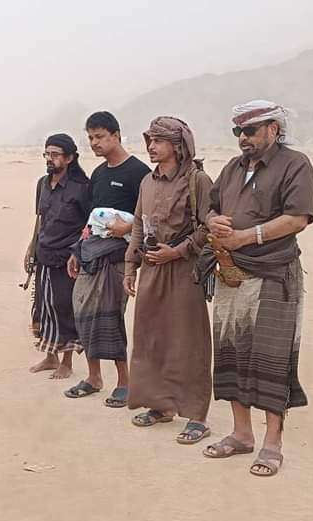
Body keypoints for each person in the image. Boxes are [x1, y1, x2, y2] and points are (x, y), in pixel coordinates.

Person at [199, 100, 313, 476]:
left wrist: (246, 237)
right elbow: (210, 208)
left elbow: (297, 218)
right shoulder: (233, 168)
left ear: (273, 129)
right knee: (231, 352)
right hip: (231, 272)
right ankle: (241, 434)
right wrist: (214, 222)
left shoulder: (294, 164)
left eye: (250, 130)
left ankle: (272, 443)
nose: (242, 138)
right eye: (238, 131)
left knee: (270, 357)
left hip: (274, 272)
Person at [123, 117, 213, 444]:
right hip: (151, 268)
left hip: (184, 271)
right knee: (151, 338)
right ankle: (159, 406)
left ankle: (196, 416)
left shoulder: (198, 180)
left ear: (177, 145)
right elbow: (138, 223)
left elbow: (208, 226)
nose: (151, 146)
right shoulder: (147, 182)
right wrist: (131, 266)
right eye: (149, 140)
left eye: (158, 141)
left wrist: (176, 251)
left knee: (188, 341)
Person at [64, 112, 150, 404]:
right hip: (90, 254)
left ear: (116, 135)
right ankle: (94, 377)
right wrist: (77, 250)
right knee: (83, 312)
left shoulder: (138, 173)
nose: (94, 143)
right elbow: (92, 219)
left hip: (117, 258)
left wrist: (128, 229)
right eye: (90, 137)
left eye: (99, 136)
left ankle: (125, 381)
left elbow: (150, 218)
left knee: (111, 316)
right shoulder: (99, 174)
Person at [26, 134, 90, 379]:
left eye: (55, 154)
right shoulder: (42, 184)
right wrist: (31, 248)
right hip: (44, 254)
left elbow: (89, 225)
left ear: (70, 158)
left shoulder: (82, 187)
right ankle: (50, 357)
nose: (49, 159)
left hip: (67, 258)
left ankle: (67, 362)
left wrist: (79, 253)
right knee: (44, 307)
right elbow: (40, 219)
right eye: (47, 154)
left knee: (65, 308)